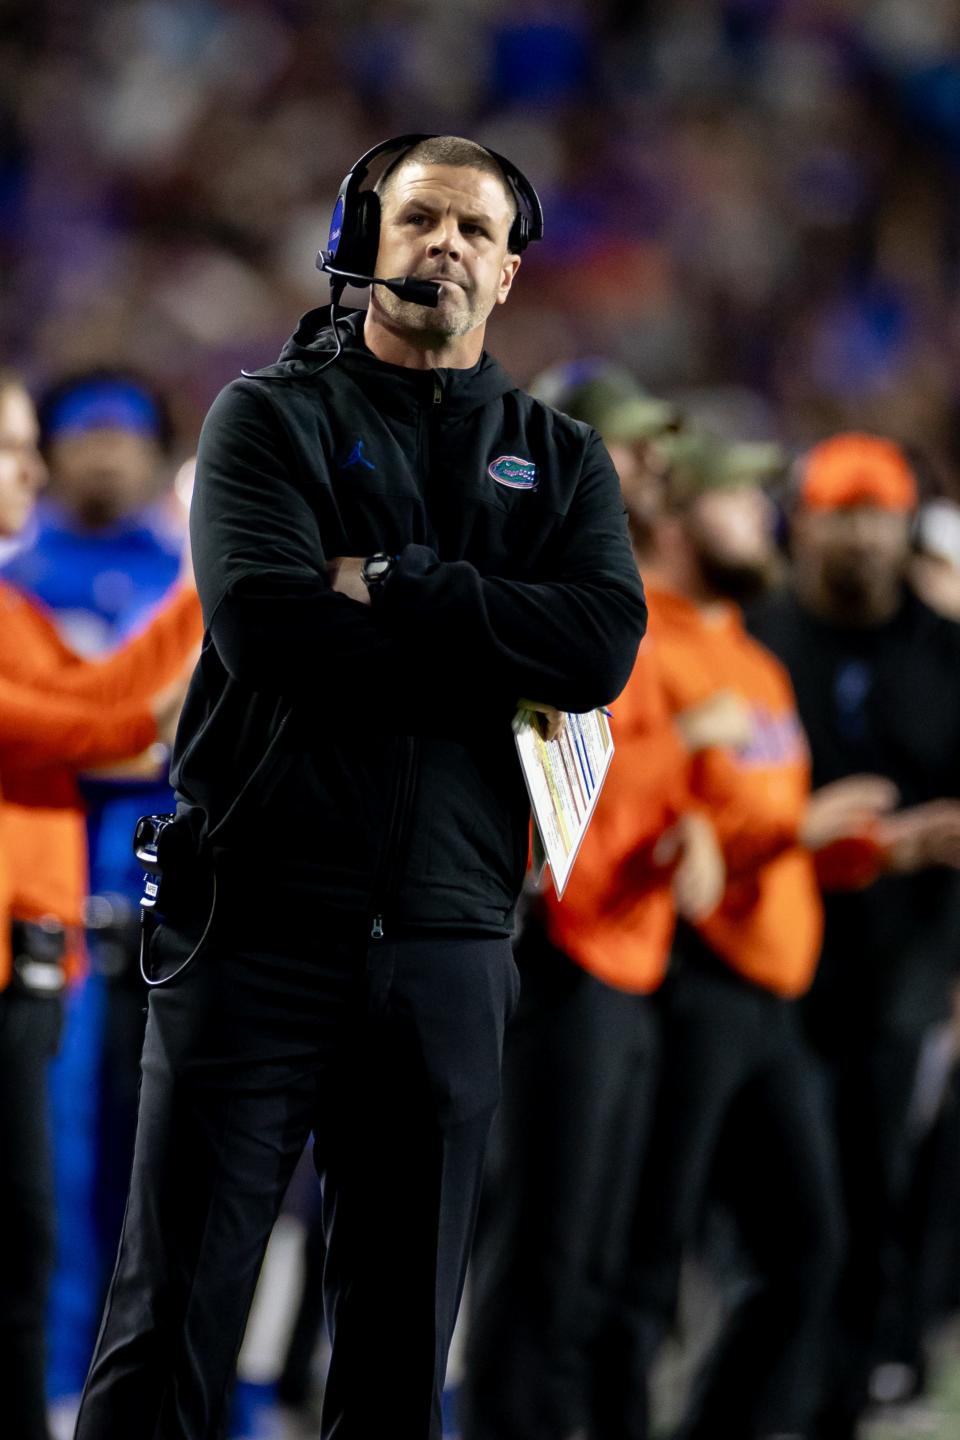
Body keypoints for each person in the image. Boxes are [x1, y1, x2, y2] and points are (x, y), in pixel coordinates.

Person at [74, 133, 647, 1440]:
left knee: (397, 1345)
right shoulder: (267, 415)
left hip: (450, 939)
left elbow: (601, 649)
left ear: (509, 271)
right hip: (254, 928)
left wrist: (393, 583)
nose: (443, 245)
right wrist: (497, 641)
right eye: (418, 220)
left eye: (472, 230)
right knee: (174, 1319)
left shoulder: (559, 456)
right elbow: (269, 627)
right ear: (363, 243)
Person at [606, 433, 899, 1440]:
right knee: (646, 1260)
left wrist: (857, 846)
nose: (761, 521)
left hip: (774, 999)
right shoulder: (642, 641)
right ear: (676, 519)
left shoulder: (752, 657)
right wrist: (790, 829)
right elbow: (635, 826)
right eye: (737, 501)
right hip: (691, 985)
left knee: (807, 1254)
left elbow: (762, 826)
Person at [462, 365, 723, 1440]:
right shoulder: (545, 584)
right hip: (559, 945)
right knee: (543, 1250)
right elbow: (572, 779)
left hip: (627, 947)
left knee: (585, 1253)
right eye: (633, 447)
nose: (656, 470)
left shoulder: (629, 604)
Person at [749, 432, 960, 1440]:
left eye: (878, 514)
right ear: (805, 521)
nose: (861, 535)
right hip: (766, 970)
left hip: (898, 977)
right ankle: (771, 1390)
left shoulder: (948, 651)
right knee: (785, 1216)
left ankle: (836, 1401)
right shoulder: (759, 637)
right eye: (840, 512)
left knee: (872, 1197)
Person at [0, 372, 193, 1440]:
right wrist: (223, 576)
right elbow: (100, 721)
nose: (37, 468)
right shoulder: (23, 588)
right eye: (22, 446)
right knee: (41, 1208)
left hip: (73, 935)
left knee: (92, 1200)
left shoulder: (17, 609)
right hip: (46, 929)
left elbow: (105, 714)